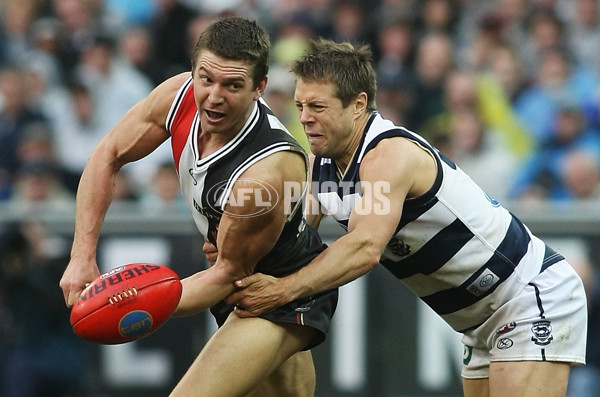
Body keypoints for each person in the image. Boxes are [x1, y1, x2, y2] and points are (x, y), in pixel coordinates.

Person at [227, 38, 588, 397]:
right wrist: (236, 253)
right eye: (300, 105)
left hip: (525, 294)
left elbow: (364, 247)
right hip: (479, 320)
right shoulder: (321, 163)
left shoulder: (388, 155)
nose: (304, 118)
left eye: (317, 106)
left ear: (358, 104)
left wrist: (281, 290)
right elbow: (294, 239)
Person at [59, 17, 338, 397]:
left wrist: (130, 300)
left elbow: (226, 273)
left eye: (233, 85)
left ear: (260, 88)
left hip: (278, 293)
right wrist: (81, 255)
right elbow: (107, 154)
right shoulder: (178, 95)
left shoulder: (266, 171)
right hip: (238, 281)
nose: (214, 96)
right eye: (206, 79)